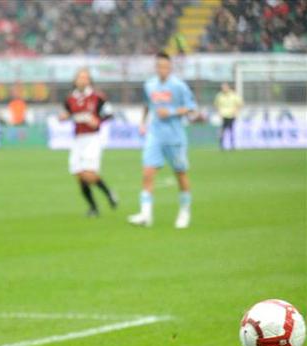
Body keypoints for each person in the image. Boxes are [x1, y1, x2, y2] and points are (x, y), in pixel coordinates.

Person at [128, 52, 197, 230]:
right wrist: (143, 122)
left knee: (180, 174)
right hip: (155, 135)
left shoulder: (179, 86)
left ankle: (184, 211)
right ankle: (145, 214)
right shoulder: (150, 85)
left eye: (165, 66)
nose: (162, 69)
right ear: (156, 67)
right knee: (147, 172)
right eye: (159, 66)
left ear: (170, 67)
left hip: (174, 137)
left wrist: (171, 112)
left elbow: (191, 108)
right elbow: (147, 105)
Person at [58, 68, 118, 217]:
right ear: (75, 80)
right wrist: (64, 117)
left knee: (88, 174)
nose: (82, 80)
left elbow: (110, 113)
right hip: (77, 139)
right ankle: (93, 207)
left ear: (89, 80)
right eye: (80, 77)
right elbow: (67, 113)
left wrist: (99, 120)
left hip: (92, 138)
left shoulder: (97, 97)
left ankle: (109, 192)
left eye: (85, 77)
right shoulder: (70, 98)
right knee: (79, 175)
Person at [214, 82, 242, 151]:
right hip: (223, 116)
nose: (223, 89)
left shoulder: (233, 95)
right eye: (222, 88)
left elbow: (239, 104)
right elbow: (216, 105)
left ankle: (232, 145)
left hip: (231, 115)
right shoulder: (219, 95)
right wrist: (219, 112)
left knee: (231, 130)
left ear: (228, 87)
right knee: (222, 131)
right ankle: (221, 146)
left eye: (224, 87)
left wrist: (236, 112)